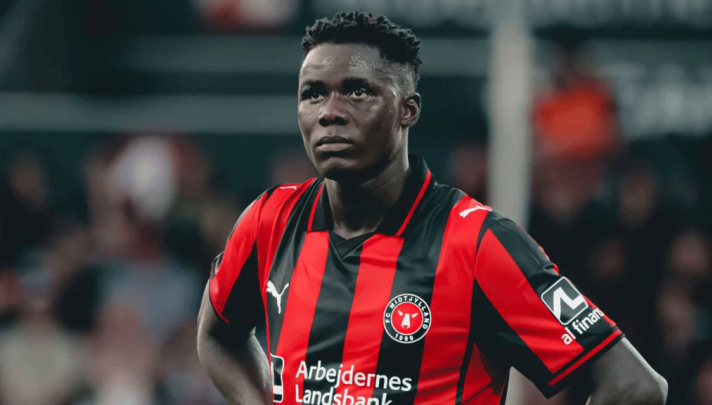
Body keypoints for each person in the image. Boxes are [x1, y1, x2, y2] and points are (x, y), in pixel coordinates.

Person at [197, 11, 667, 405]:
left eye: (357, 91)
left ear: (408, 110)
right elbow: (217, 335)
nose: (329, 111)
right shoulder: (270, 220)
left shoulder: (478, 243)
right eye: (313, 93)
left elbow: (635, 385)